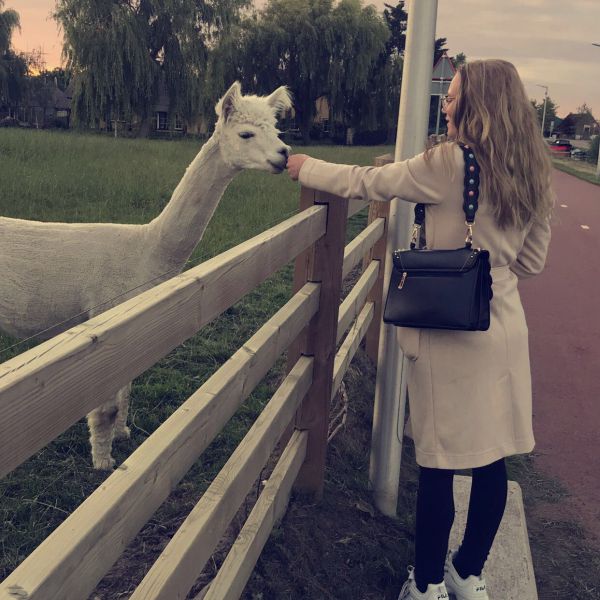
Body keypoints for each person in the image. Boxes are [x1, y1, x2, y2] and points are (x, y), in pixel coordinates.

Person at [286, 59, 554, 600]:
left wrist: (303, 166)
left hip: (447, 330)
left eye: (454, 97)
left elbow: (369, 181)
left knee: (437, 461)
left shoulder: (450, 163)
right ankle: (467, 572)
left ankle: (427, 583)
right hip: (501, 325)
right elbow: (532, 263)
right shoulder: (531, 167)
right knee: (491, 459)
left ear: (477, 104)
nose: (447, 105)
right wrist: (491, 259)